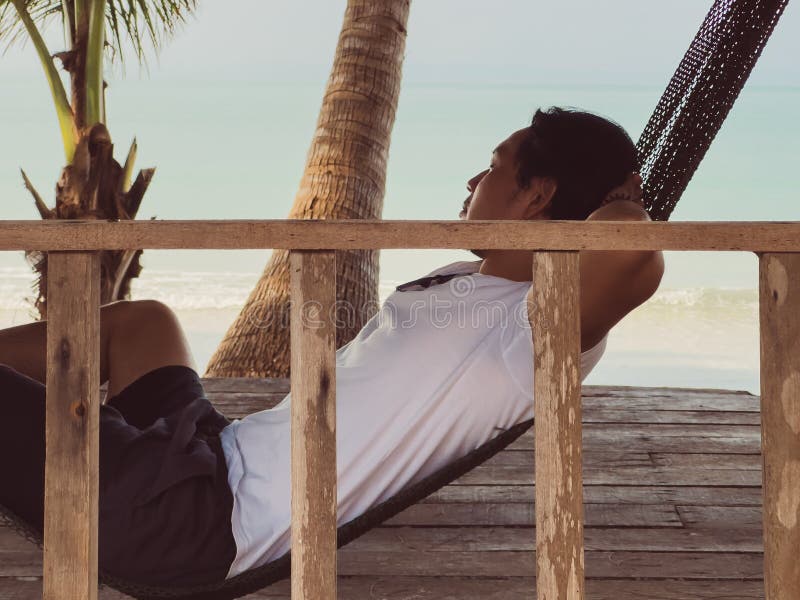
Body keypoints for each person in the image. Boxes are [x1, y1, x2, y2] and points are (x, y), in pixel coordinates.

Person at [0, 106, 664, 586]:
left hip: (189, 517)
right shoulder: (475, 281)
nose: (471, 184)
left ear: (538, 195)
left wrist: (624, 199)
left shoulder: (532, 334)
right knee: (143, 323)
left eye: (492, 169)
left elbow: (634, 258)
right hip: (211, 454)